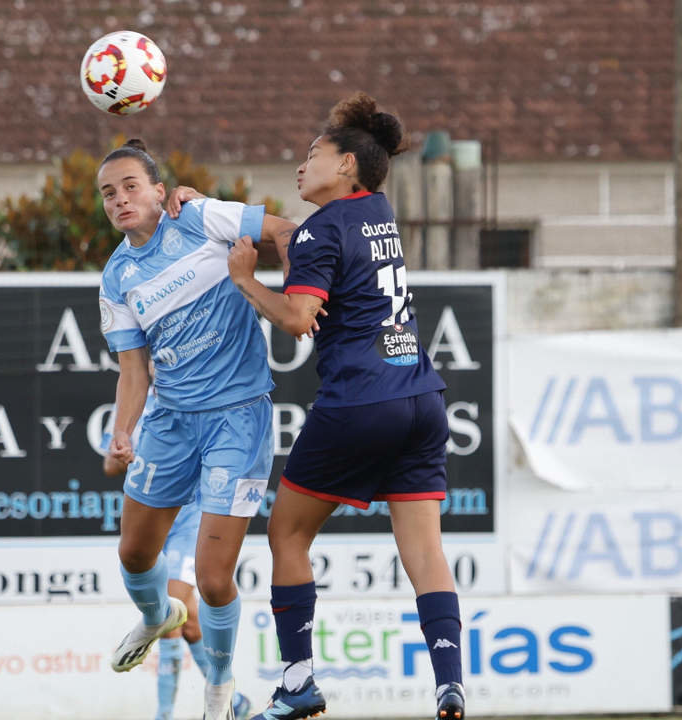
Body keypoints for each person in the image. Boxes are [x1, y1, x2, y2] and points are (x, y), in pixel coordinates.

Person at [224, 92, 466, 720]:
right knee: (425, 551)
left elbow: (301, 319)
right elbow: (318, 255)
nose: (301, 167)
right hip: (421, 398)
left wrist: (247, 281)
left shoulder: (319, 229)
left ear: (349, 166)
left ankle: (298, 681)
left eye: (314, 155)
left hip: (360, 401)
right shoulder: (376, 210)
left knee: (287, 532)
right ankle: (449, 682)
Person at [97, 138, 298, 720]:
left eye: (132, 185)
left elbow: (285, 230)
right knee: (134, 554)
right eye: (109, 193)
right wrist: (123, 429)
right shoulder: (117, 277)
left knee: (213, 581)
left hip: (238, 418)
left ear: (161, 191)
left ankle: (220, 687)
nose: (120, 199)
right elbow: (133, 369)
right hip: (171, 420)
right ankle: (158, 616)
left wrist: (297, 299)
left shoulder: (202, 216)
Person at [99, 383, 252, 720]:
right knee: (192, 625)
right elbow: (110, 465)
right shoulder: (130, 402)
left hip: (189, 519)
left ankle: (163, 715)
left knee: (171, 617)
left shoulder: (196, 395)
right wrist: (122, 457)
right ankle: (235, 701)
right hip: (151, 520)